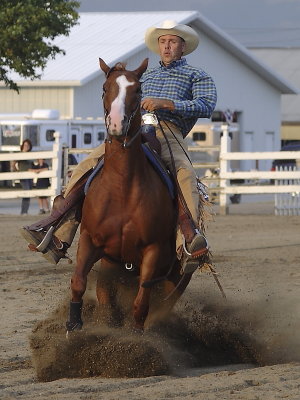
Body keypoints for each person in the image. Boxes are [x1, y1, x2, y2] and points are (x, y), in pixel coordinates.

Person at [20, 20, 217, 273]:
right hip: (131, 131)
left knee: (185, 174)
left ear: (183, 46)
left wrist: (168, 104)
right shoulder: (145, 75)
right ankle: (59, 234)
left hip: (169, 132)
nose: (167, 46)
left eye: (173, 41)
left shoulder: (196, 75)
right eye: (163, 41)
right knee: (86, 166)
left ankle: (187, 242)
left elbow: (207, 105)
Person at [14, 139, 34, 215]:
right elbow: (13, 162)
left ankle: (25, 211)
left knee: (28, 193)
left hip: (30, 176)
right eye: (25, 145)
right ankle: (23, 211)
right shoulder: (20, 154)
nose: (26, 146)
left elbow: (32, 164)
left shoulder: (30, 155)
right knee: (26, 191)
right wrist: (17, 171)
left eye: (28, 145)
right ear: (22, 146)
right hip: (23, 176)